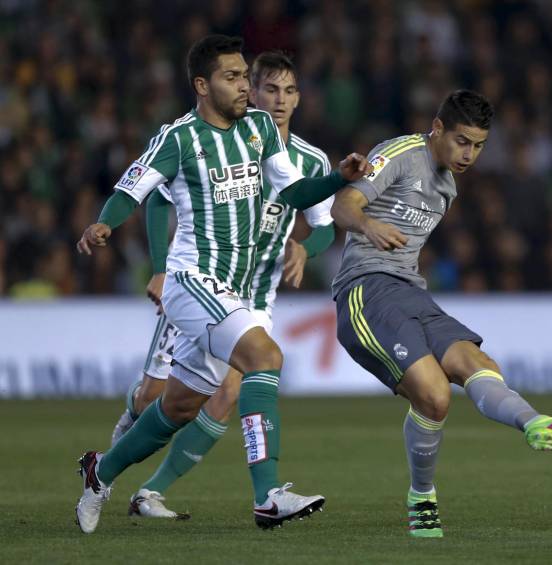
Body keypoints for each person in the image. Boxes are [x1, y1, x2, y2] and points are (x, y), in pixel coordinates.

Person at [74, 35, 371, 534]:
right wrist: (105, 223)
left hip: (238, 291)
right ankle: (268, 496)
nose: (244, 89)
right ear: (201, 85)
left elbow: (295, 190)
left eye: (241, 76)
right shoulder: (179, 138)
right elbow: (135, 189)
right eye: (233, 78)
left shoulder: (259, 130)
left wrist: (338, 178)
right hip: (192, 279)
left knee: (178, 406)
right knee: (266, 357)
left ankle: (99, 473)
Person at [330, 90, 552, 538]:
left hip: (411, 293)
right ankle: (421, 498)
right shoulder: (399, 153)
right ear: (437, 129)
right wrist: (368, 224)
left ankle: (536, 423)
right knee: (436, 396)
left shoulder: (447, 186)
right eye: (462, 141)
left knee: (480, 365)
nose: (469, 154)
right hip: (365, 292)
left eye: (479, 145)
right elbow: (342, 204)